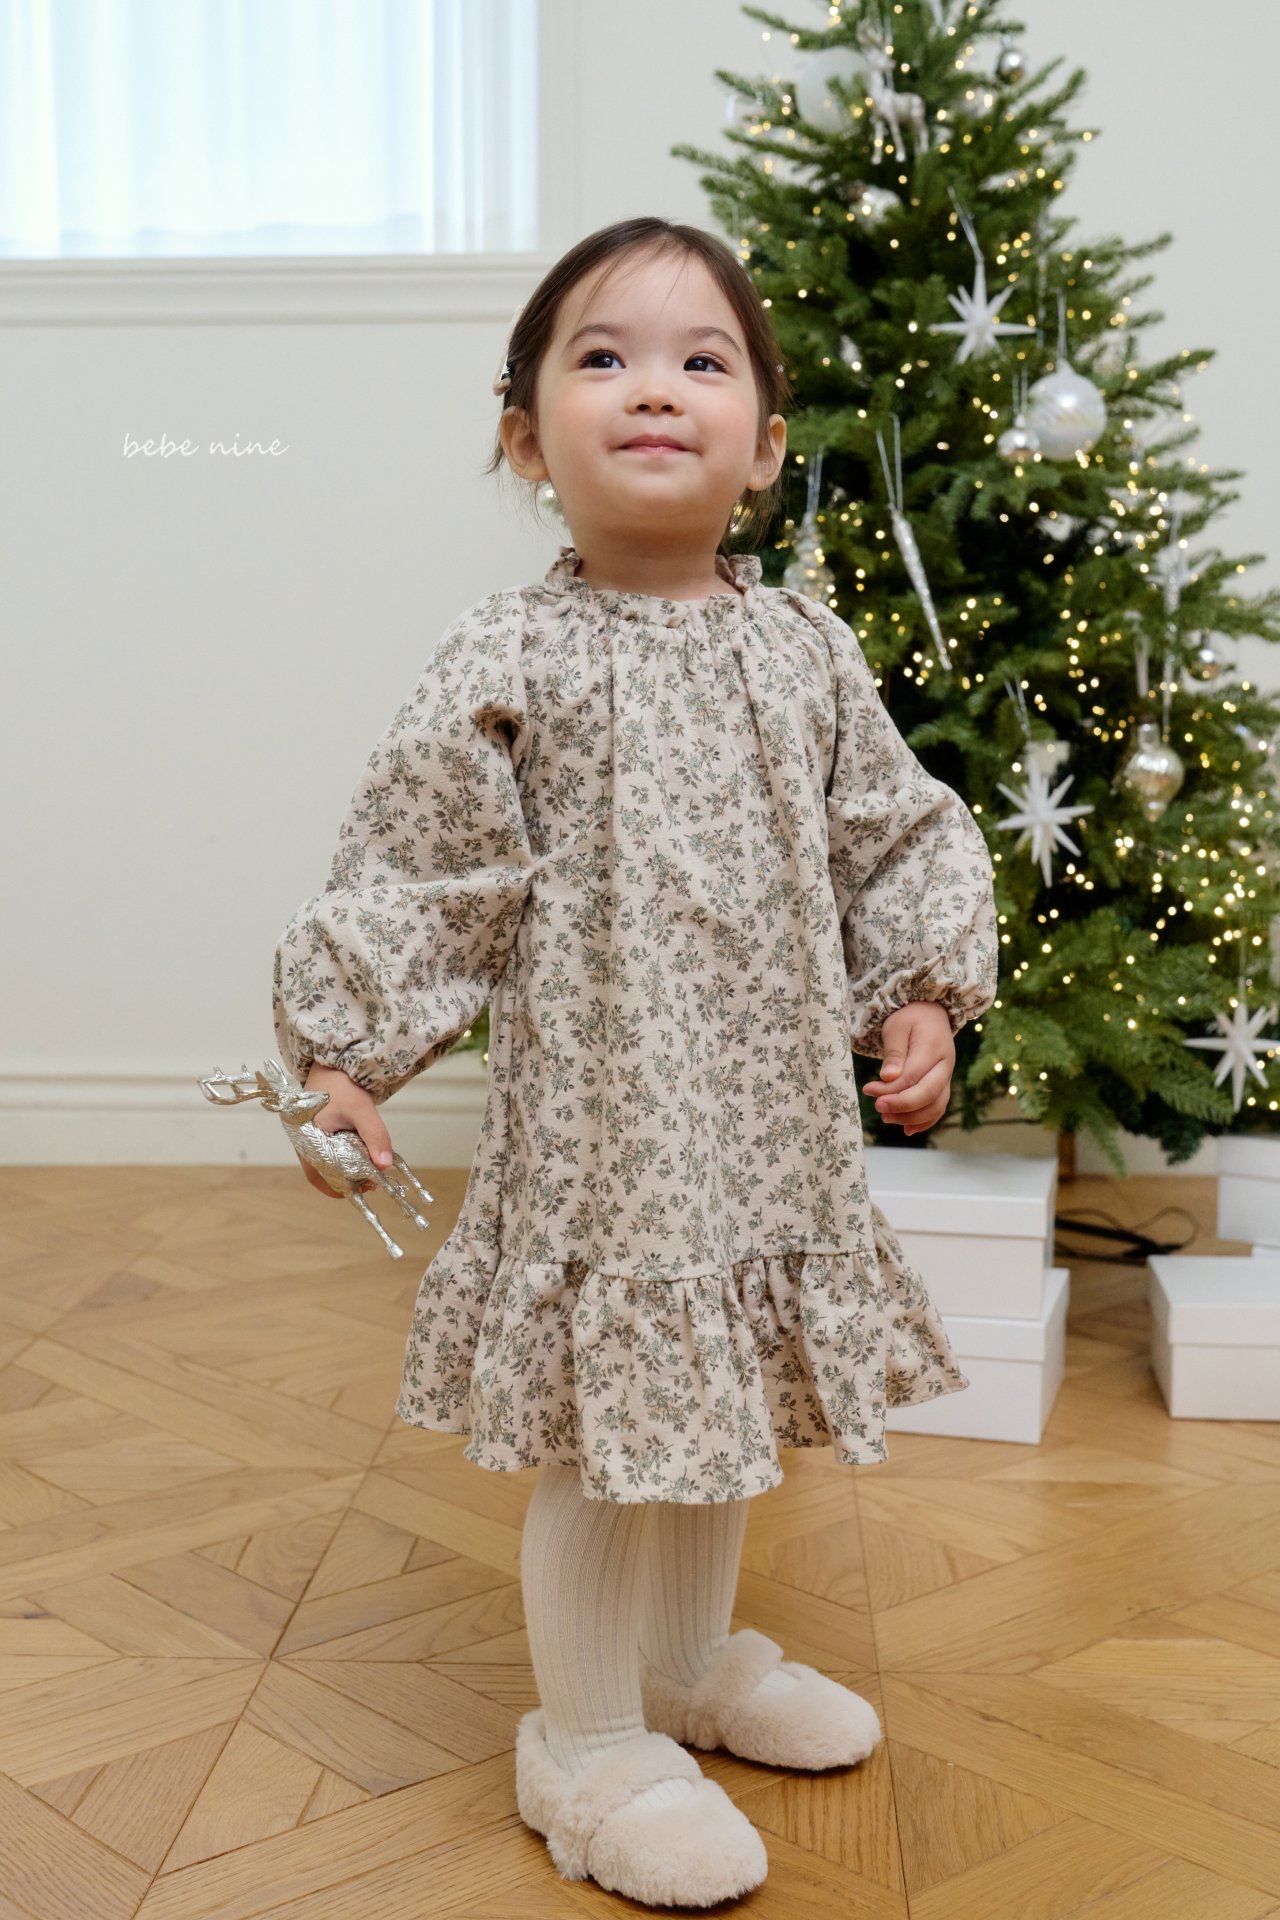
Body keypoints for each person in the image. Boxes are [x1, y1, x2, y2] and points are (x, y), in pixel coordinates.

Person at [271, 215, 998, 1907]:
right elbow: (425, 867)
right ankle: (587, 1739)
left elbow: (894, 831)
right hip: (611, 1129)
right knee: (618, 1422)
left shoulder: (806, 649)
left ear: (767, 441)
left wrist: (919, 995)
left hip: (768, 1123)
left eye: (701, 361)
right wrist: (349, 1054)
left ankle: (685, 1667)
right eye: (602, 359)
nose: (654, 389)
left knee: (719, 1395)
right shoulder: (513, 655)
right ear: (527, 436)